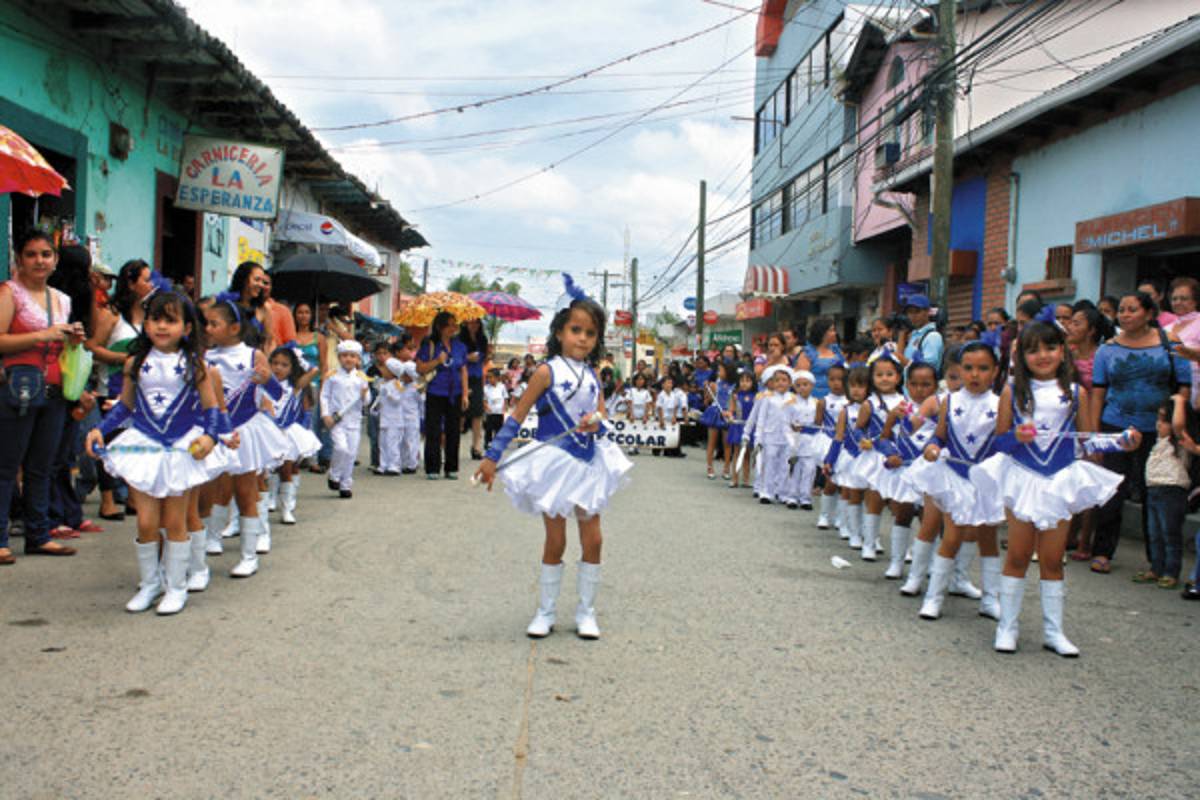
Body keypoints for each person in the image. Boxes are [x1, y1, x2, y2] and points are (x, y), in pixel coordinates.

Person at [474, 276, 632, 640]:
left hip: (587, 463)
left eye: (590, 333)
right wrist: (492, 457)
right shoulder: (546, 371)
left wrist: (596, 421)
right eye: (576, 330)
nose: (582, 338)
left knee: (594, 540)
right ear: (560, 331)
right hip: (554, 463)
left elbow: (602, 415)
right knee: (556, 540)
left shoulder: (593, 375)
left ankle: (586, 612)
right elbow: (517, 416)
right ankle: (545, 612)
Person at [972, 322, 1132, 655]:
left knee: (1052, 559)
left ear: (1063, 351)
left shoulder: (1076, 393)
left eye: (1050, 347)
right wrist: (1016, 436)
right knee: (1018, 555)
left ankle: (1053, 631)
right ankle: (1007, 627)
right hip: (1022, 478)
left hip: (1058, 481)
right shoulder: (1012, 391)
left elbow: (1087, 441)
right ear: (1021, 356)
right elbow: (998, 441)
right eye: (1033, 350)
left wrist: (1122, 442)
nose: (1042, 355)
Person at [85, 291, 231, 614]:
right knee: (146, 521)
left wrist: (211, 437)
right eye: (155, 319)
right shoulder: (134, 363)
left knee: (175, 520)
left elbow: (211, 408)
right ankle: (151, 583)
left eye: (171, 320)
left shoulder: (195, 365)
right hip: (145, 445)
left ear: (187, 328)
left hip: (181, 448)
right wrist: (101, 429)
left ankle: (177, 587)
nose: (162, 326)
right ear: (146, 324)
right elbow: (125, 406)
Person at [0, 229, 87, 565]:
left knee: (42, 467)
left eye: (46, 254)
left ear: (55, 260)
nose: (39, 261)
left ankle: (39, 534)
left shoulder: (61, 299)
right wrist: (43, 334)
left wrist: (72, 339)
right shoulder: (10, 293)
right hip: (18, 389)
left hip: (55, 389)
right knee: (7, 466)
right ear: (19, 260)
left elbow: (61, 345)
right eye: (31, 254)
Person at [1089, 292, 1191, 574]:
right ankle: (1102, 551)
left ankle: (1155, 560)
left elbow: (1184, 384)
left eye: (1132, 309)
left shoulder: (1170, 343)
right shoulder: (1107, 349)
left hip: (1157, 429)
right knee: (1112, 489)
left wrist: (1176, 420)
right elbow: (1098, 392)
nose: (1124, 314)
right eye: (1121, 310)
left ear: (1149, 313)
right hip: (1115, 425)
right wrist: (1095, 433)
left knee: (1152, 492)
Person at [906, 342, 1005, 621]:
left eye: (983, 368)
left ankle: (991, 599)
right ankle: (933, 597)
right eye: (968, 368)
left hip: (985, 478)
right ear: (959, 370)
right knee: (952, 535)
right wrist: (932, 446)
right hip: (954, 475)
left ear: (995, 371)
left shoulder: (1000, 404)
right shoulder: (949, 401)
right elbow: (940, 435)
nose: (975, 374)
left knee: (988, 538)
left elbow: (1003, 441)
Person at [202, 296, 288, 575]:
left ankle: (250, 554)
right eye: (206, 323)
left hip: (246, 429)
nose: (208, 329)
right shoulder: (205, 357)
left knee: (245, 490)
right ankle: (211, 537)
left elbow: (277, 393)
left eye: (214, 324)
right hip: (216, 430)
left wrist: (267, 380)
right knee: (214, 487)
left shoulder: (253, 355)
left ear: (234, 328)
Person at [875, 361, 939, 579]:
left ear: (935, 385)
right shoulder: (899, 410)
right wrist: (890, 454)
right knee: (903, 514)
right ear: (906, 384)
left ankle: (928, 563)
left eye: (926, 384)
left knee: (928, 518)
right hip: (904, 471)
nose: (919, 390)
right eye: (914, 384)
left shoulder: (940, 410)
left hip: (930, 472)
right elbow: (884, 438)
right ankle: (897, 562)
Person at [847, 356, 906, 561]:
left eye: (889, 374)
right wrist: (862, 439)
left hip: (898, 456)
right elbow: (858, 429)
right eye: (879, 375)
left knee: (899, 503)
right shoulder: (869, 404)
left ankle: (902, 549)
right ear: (872, 378)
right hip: (876, 457)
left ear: (898, 377)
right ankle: (870, 543)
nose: (884, 379)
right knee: (875, 500)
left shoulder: (905, 402)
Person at [267, 345, 320, 523]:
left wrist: (300, 361)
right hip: (267, 432)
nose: (278, 368)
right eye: (275, 363)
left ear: (292, 368)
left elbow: (314, 370)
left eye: (284, 365)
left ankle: (287, 508)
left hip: (286, 432)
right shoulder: (264, 384)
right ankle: (268, 501)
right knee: (267, 470)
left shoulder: (294, 386)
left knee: (286, 469)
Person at [417, 311, 469, 480]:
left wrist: (465, 394)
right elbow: (420, 368)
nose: (453, 328)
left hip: (455, 393)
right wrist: (437, 361)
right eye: (450, 325)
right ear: (440, 327)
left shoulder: (460, 346)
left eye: (455, 325)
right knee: (433, 430)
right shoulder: (430, 344)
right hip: (435, 391)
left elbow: (463, 370)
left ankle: (451, 467)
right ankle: (432, 468)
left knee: (453, 430)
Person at [823, 366, 870, 544]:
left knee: (870, 496)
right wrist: (830, 460)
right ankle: (846, 525)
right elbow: (838, 437)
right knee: (849, 491)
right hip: (850, 456)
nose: (856, 390)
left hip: (870, 458)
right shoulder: (846, 411)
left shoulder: (874, 409)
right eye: (852, 386)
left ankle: (868, 532)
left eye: (861, 386)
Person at [743, 365, 802, 506]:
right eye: (777, 380)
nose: (781, 383)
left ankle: (782, 493)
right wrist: (758, 437)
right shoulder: (767, 398)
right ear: (773, 383)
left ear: (790, 383)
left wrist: (797, 427)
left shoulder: (793, 399)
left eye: (784, 380)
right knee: (769, 464)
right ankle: (766, 492)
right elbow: (761, 419)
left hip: (787, 438)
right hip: (770, 436)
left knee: (785, 466)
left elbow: (796, 418)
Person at [321, 340, 369, 497]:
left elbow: (367, 401)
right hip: (337, 420)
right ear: (339, 357)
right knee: (341, 448)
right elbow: (324, 396)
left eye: (352, 356)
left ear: (358, 359)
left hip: (354, 420)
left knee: (351, 454)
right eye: (345, 355)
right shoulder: (332, 376)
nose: (348, 359)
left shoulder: (361, 377)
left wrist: (364, 395)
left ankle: (345, 485)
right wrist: (325, 414)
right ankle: (334, 474)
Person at [813, 363, 848, 529]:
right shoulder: (823, 402)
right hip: (828, 442)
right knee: (830, 480)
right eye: (832, 379)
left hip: (846, 445)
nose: (836, 383)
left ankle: (841, 517)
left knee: (844, 483)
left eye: (840, 379)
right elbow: (817, 424)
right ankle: (825, 515)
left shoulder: (850, 402)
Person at [373, 357, 420, 476]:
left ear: (392, 372)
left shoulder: (397, 384)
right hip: (384, 419)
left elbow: (398, 399)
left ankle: (396, 465)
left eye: (385, 369)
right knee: (383, 443)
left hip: (396, 420)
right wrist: (375, 408)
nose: (382, 370)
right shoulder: (384, 383)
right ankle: (383, 465)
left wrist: (389, 393)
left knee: (394, 443)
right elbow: (380, 401)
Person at [785, 370, 819, 510]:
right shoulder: (790, 403)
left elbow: (819, 422)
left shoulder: (817, 403)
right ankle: (792, 496)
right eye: (798, 385)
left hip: (811, 440)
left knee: (809, 470)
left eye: (805, 384)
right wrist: (792, 429)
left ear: (812, 385)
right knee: (795, 469)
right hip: (795, 440)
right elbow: (785, 422)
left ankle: (805, 498)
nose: (802, 388)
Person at [458, 318, 490, 460]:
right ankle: (453, 445)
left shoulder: (482, 339)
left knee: (477, 413)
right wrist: (467, 358)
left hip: (477, 378)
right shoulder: (459, 339)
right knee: (460, 412)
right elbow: (455, 359)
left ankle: (476, 447)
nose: (474, 325)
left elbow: (483, 360)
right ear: (465, 323)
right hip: (461, 377)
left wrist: (487, 355)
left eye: (477, 322)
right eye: (471, 322)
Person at [700, 359, 735, 480]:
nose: (718, 372)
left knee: (727, 443)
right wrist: (707, 389)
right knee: (712, 442)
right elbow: (708, 400)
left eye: (721, 370)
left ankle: (727, 468)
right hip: (715, 412)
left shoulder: (734, 385)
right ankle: (710, 467)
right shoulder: (716, 383)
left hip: (728, 413)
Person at [796, 317, 842, 398]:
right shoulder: (808, 353)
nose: (835, 333)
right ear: (822, 333)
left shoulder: (836, 350)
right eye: (831, 330)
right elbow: (800, 379)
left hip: (836, 396)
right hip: (815, 397)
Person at [726, 369, 757, 489]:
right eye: (742, 380)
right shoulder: (735, 395)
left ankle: (746, 479)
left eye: (748, 381)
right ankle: (734, 479)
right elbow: (731, 410)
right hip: (738, 425)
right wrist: (729, 416)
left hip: (749, 427)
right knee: (737, 453)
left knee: (747, 454)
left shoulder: (756, 396)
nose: (744, 383)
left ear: (753, 382)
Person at [899, 294, 943, 377]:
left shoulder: (933, 336)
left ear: (927, 312)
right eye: (910, 312)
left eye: (917, 311)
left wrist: (903, 360)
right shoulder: (914, 335)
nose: (913, 316)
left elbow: (928, 368)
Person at [483, 368, 509, 449]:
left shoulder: (502, 387)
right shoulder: (486, 388)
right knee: (489, 429)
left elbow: (505, 398)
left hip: (499, 412)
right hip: (490, 412)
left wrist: (505, 407)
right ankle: (488, 443)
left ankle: (498, 443)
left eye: (491, 377)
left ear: (497, 378)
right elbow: (484, 400)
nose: (489, 379)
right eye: (488, 377)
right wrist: (487, 407)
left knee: (499, 429)